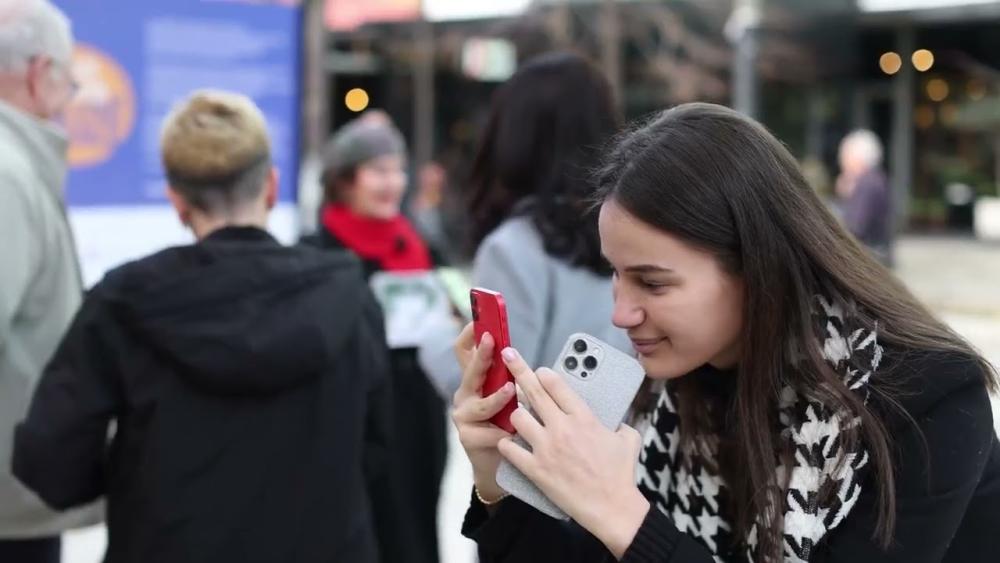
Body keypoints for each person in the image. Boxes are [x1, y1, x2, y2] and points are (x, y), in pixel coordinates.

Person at [452, 103, 1000, 562]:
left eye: (652, 283)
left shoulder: (926, 397)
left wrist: (623, 515)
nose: (621, 313)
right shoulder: (676, 385)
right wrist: (497, 485)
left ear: (757, 268)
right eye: (615, 274)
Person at [13, 90, 394, 563]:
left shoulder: (124, 302)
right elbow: (379, 447)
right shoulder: (348, 294)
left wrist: (125, 481)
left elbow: (50, 459)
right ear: (271, 187)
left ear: (177, 200)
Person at [418, 51, 629, 399]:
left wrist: (433, 331)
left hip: (548, 447)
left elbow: (496, 389)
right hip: (627, 444)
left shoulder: (514, 249)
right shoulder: (630, 232)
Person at [304, 114, 446, 563]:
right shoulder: (316, 253)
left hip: (416, 410)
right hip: (352, 414)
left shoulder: (419, 243)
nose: (393, 183)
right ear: (345, 180)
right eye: (378, 171)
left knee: (416, 528)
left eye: (398, 170)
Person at [0, 1, 100, 561]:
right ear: (40, 74)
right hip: (9, 505)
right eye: (68, 79)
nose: (69, 98)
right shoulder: (7, 174)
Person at [836, 129, 893, 266]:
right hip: (874, 256)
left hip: (867, 260)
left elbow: (855, 228)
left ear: (857, 159)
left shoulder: (867, 184)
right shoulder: (875, 179)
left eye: (844, 155)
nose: (841, 161)